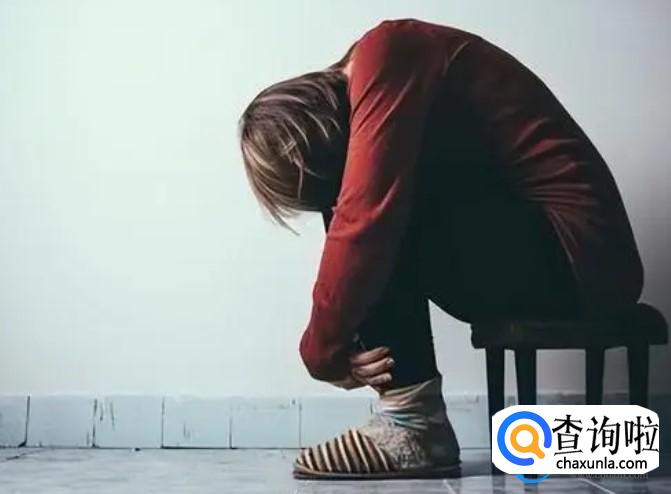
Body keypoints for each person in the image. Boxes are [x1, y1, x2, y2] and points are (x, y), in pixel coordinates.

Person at [238, 18, 643, 480]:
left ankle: (413, 427)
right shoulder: (381, 73)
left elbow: (364, 217)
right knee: (363, 205)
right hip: (556, 258)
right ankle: (412, 420)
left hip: (580, 255)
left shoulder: (389, 52)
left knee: (369, 209)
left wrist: (320, 351)